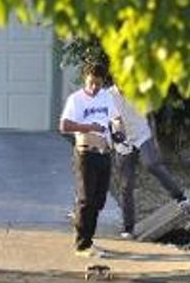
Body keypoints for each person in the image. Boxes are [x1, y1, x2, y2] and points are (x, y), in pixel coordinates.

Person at [107, 81, 189, 238]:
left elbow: (150, 115)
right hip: (123, 141)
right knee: (126, 185)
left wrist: (155, 140)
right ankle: (128, 228)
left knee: (152, 164)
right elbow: (110, 120)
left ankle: (180, 197)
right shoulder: (107, 96)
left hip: (142, 133)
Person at [59, 63, 122, 257]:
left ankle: (89, 240)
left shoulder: (106, 97)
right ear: (85, 79)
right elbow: (64, 125)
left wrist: (119, 130)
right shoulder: (76, 99)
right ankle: (82, 245)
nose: (94, 87)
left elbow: (116, 118)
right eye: (91, 83)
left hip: (104, 154)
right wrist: (88, 127)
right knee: (86, 199)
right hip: (85, 153)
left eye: (98, 84)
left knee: (98, 200)